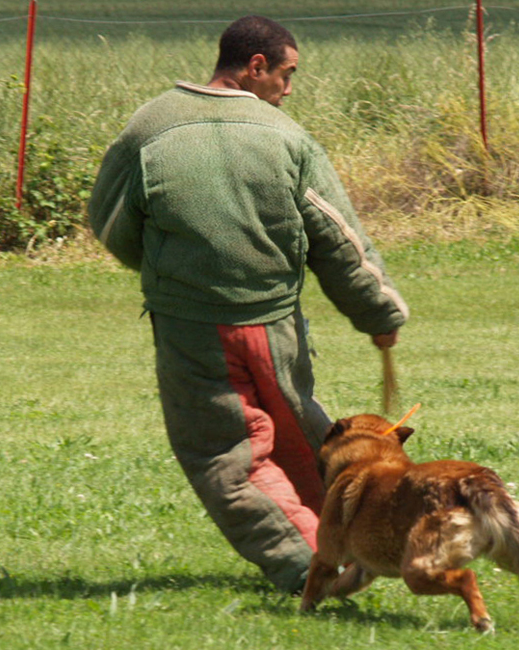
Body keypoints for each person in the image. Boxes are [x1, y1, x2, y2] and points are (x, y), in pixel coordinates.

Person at [87, 15, 408, 594]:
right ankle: (360, 542)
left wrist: (169, 269)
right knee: (297, 436)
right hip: (277, 329)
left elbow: (110, 223)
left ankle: (314, 565)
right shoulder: (287, 138)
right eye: (286, 74)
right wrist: (378, 312)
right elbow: (338, 240)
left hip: (191, 328)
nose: (289, 89)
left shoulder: (149, 125)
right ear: (255, 67)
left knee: (226, 456)